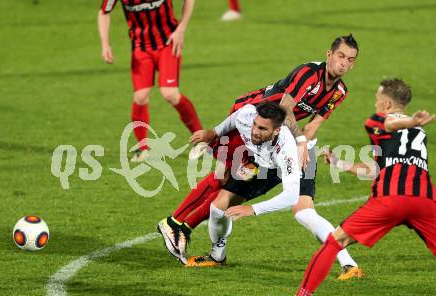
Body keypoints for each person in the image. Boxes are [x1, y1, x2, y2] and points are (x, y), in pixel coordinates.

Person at [159, 34, 363, 280]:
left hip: (280, 144)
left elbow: (313, 125)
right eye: (340, 56)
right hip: (259, 129)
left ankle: (349, 265)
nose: (344, 63)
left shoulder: (339, 91)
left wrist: (302, 146)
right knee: (222, 191)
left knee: (303, 211)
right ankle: (197, 240)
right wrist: (214, 132)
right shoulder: (309, 75)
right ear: (329, 54)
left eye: (350, 60)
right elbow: (285, 109)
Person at [267, 79, 436, 296]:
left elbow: (389, 123)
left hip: (390, 199)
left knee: (334, 243)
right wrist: (340, 164)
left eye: (378, 99)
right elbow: (377, 169)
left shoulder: (377, 120)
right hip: (425, 200)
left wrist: (410, 120)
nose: (375, 103)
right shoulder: (419, 133)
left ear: (387, 103)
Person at [159, 101, 301, 265]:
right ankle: (217, 256)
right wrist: (214, 132)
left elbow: (291, 196)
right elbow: (236, 117)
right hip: (257, 161)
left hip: (278, 171)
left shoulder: (286, 151)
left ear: (277, 130)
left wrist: (253, 209)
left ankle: (336, 253)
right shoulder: (247, 116)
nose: (254, 131)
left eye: (262, 129)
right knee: (218, 206)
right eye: (255, 125)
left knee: (306, 215)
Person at [98, 0, 202, 162]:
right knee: (140, 96)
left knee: (169, 94)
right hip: (140, 47)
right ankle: (142, 148)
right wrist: (105, 44)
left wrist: (181, 29)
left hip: (168, 43)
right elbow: (104, 12)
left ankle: (201, 139)